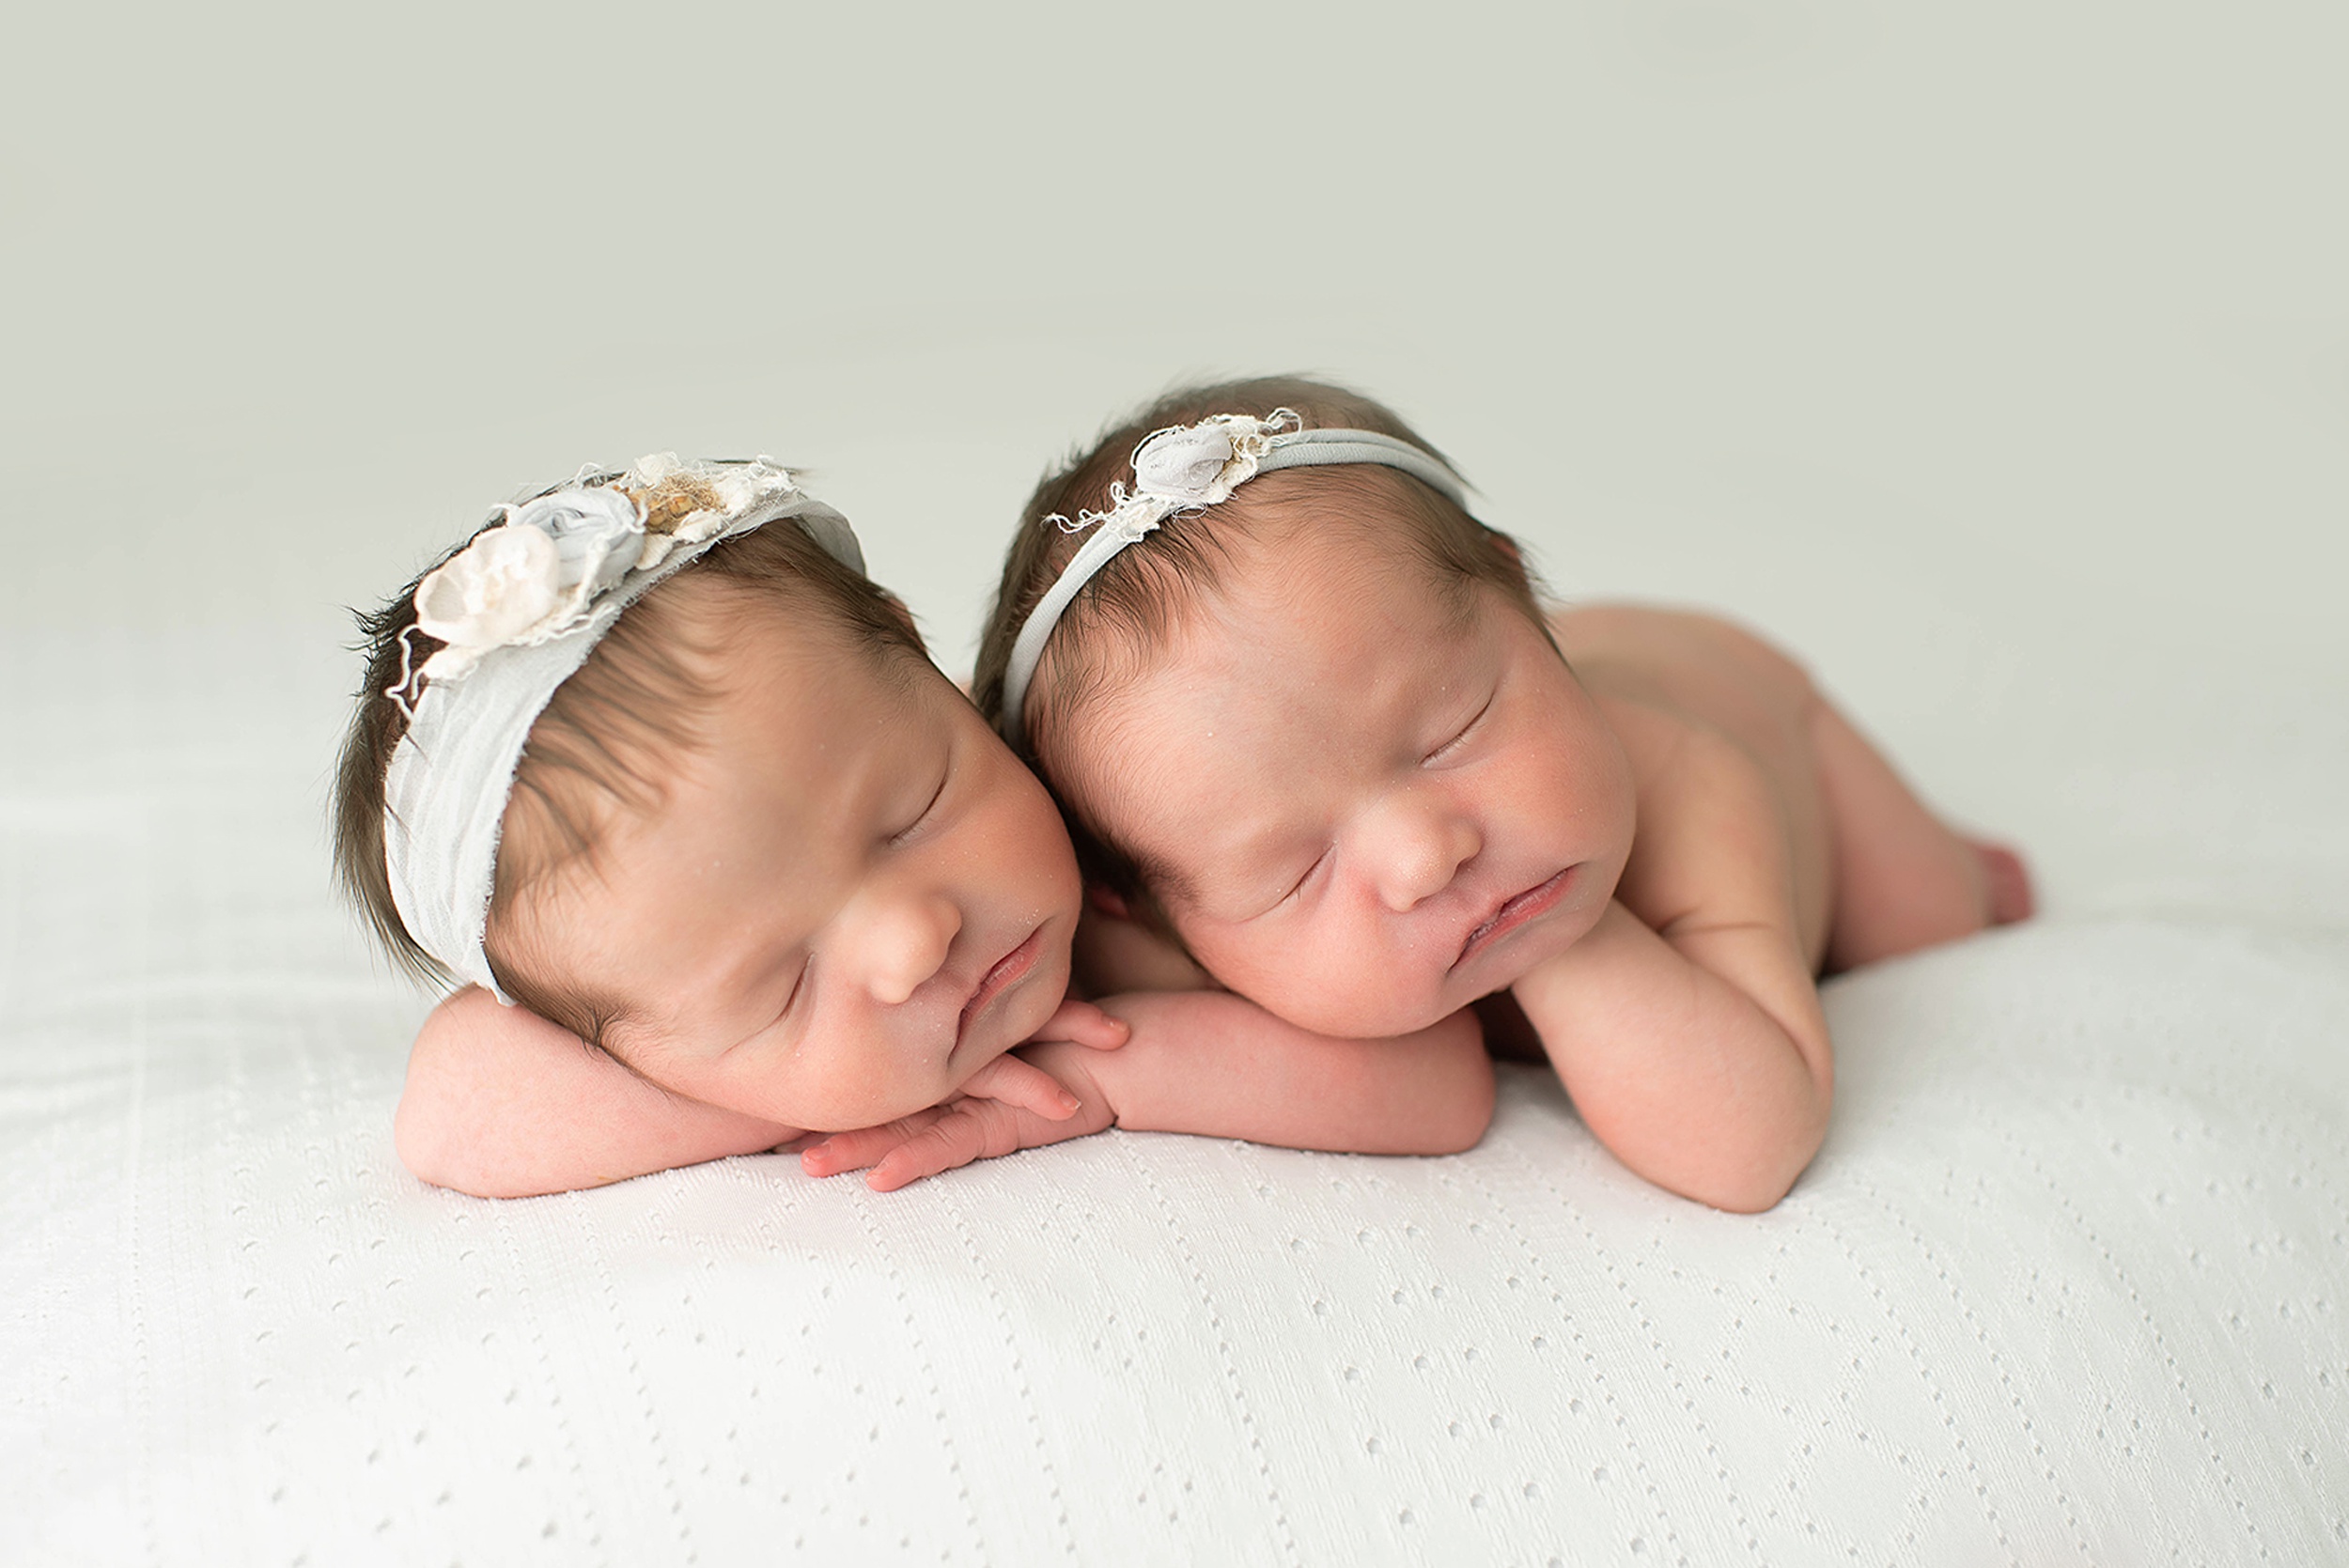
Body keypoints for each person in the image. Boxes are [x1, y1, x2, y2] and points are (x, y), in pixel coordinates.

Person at [969, 379, 2033, 1213]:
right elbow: (1420, 1091)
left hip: (1759, 708)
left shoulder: (1695, 786)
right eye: (1298, 868)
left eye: (1452, 732)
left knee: (1928, 921)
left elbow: (1752, 1145)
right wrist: (1098, 1077)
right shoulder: (1188, 867)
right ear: (1154, 913)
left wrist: (1566, 936)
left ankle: (1950, 848)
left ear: (1521, 597)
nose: (1425, 854)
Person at [334, 454, 1490, 1198]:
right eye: (779, 985)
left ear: (924, 665)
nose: (912, 942)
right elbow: (452, 1116)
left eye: (909, 816)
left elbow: (1437, 1072)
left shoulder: (1148, 836)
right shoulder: (698, 1020)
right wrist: (812, 1081)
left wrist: (1113, 1080)